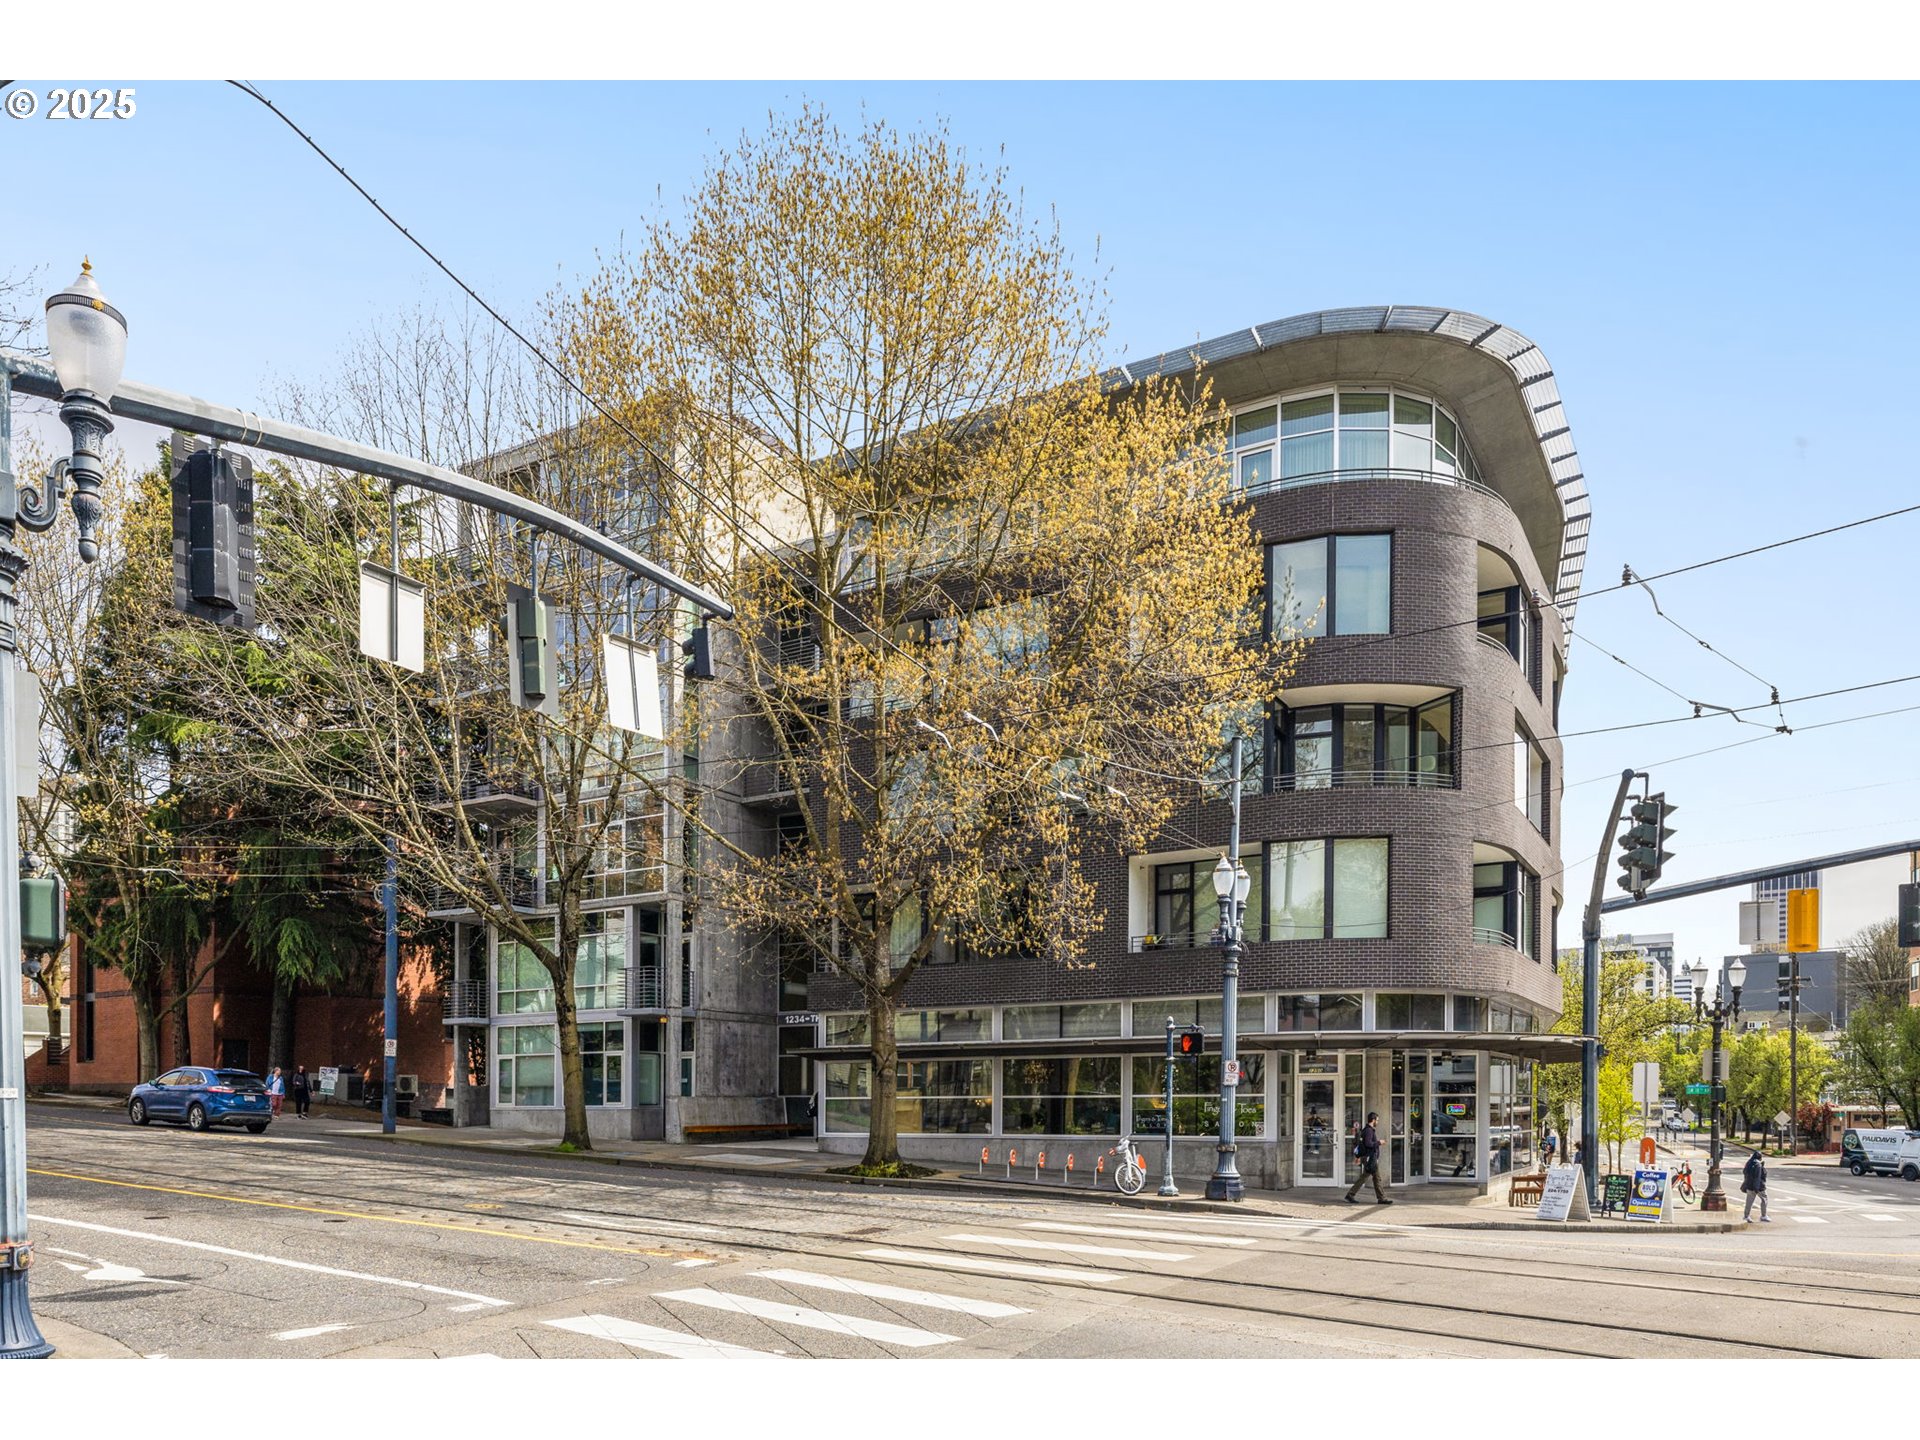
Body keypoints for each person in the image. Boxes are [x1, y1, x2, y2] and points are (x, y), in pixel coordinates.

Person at [1345, 1111, 1393, 1205]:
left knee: (1370, 1178)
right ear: (1373, 1120)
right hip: (1369, 1158)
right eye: (1377, 1120)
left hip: (1369, 1158)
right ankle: (1381, 1198)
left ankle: (1351, 1195)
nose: (1378, 1122)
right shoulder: (1369, 1131)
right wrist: (1379, 1142)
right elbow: (1368, 1144)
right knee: (1375, 1178)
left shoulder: (1367, 1130)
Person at [1741, 1148, 1769, 1222]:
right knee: (1764, 1199)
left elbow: (1744, 1172)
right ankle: (1763, 1216)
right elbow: (1757, 1177)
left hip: (1749, 1185)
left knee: (1749, 1201)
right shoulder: (1758, 1165)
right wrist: (1756, 1188)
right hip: (1758, 1186)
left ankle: (1746, 1216)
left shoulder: (1749, 1163)